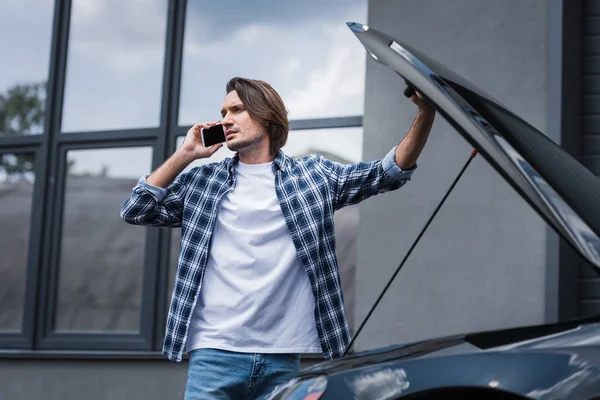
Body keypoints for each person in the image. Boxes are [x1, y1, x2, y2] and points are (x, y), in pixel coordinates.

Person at [120, 77, 436, 399]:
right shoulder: (203, 182)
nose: (226, 119)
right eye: (223, 111)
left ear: (266, 114)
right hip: (215, 353)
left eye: (237, 110)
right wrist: (185, 154)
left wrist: (426, 112)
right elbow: (136, 209)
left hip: (283, 358)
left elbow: (387, 172)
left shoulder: (313, 177)